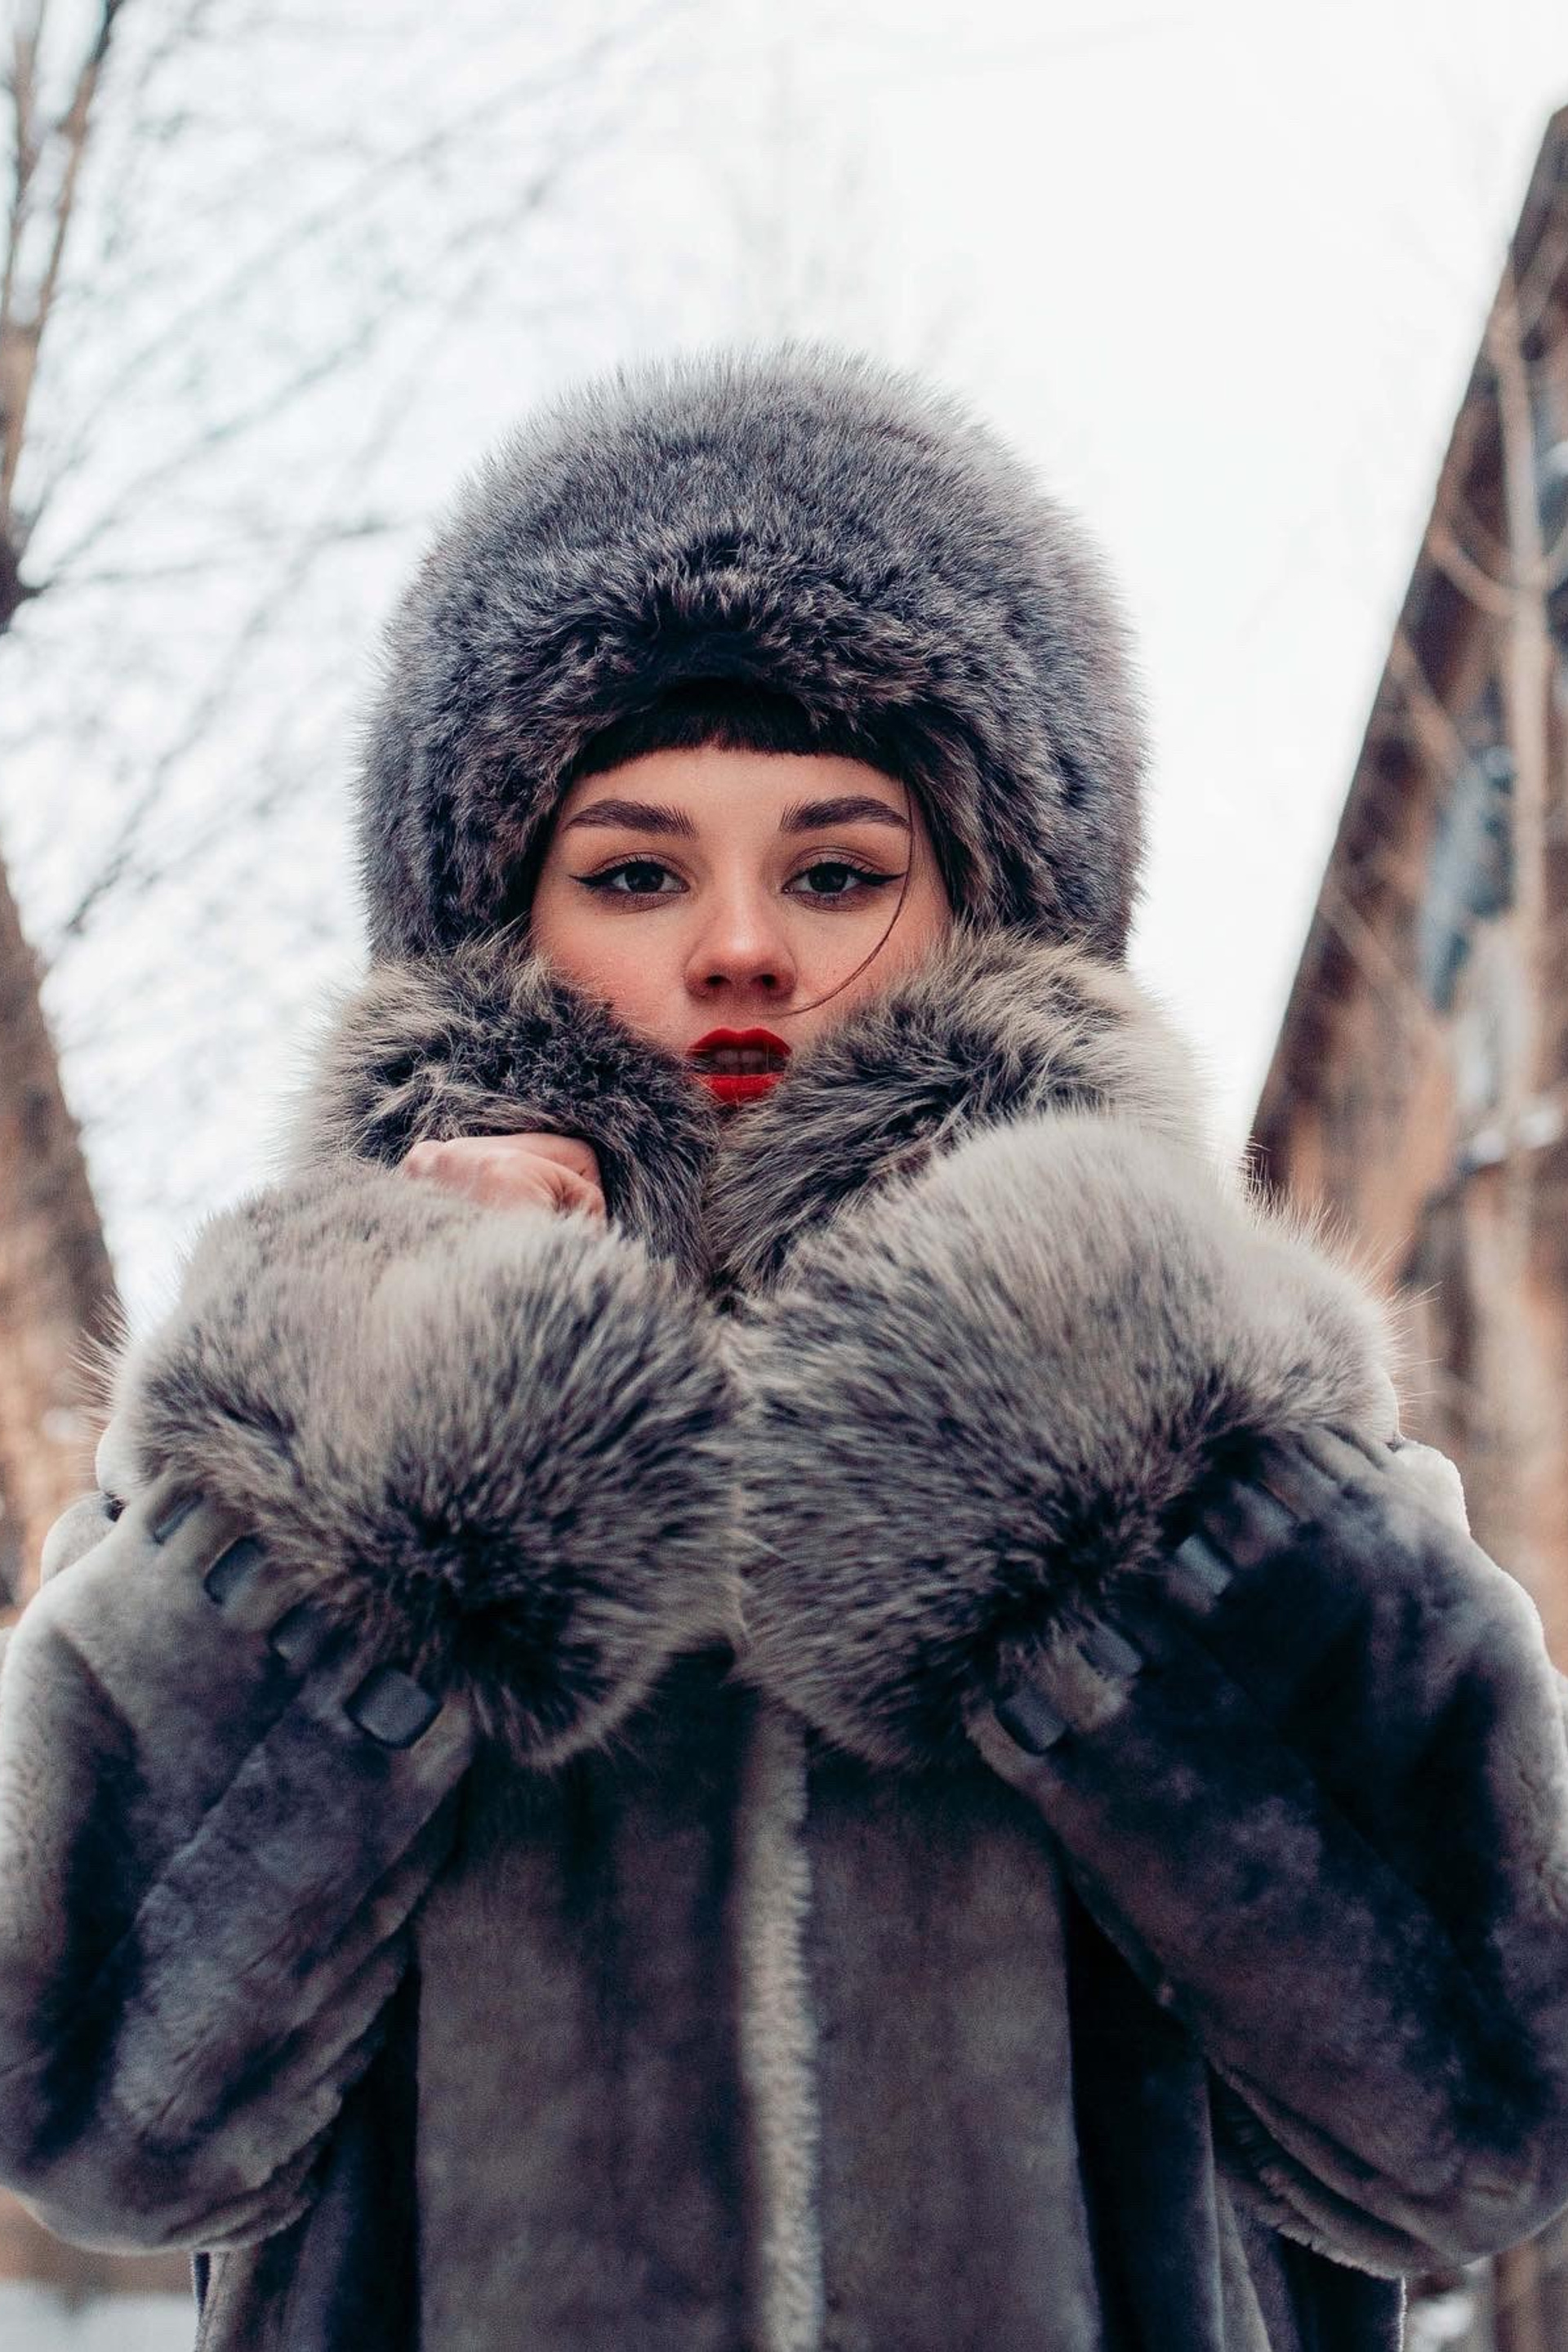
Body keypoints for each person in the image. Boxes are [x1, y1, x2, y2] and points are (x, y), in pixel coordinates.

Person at [1, 342, 1566, 2352]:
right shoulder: (294, 1428)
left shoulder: (1212, 1415)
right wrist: (391, 1467)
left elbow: (1475, 2130)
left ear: (983, 901)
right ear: (504, 917)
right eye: (637, 871)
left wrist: (1092, 1465)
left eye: (836, 870)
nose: (741, 945)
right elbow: (99, 2125)